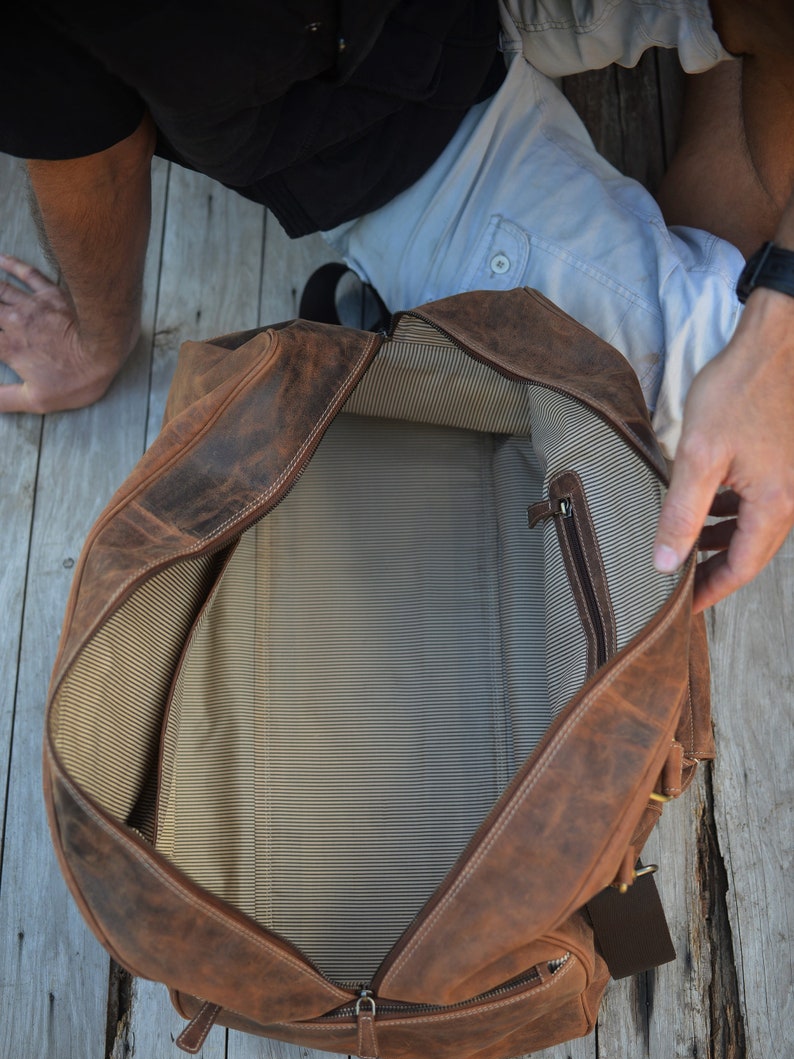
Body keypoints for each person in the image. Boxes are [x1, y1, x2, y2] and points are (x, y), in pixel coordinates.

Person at [1, 1, 792, 615]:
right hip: (399, 135)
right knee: (683, 447)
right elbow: (88, 157)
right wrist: (95, 337)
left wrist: (778, 318)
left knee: (738, 433)